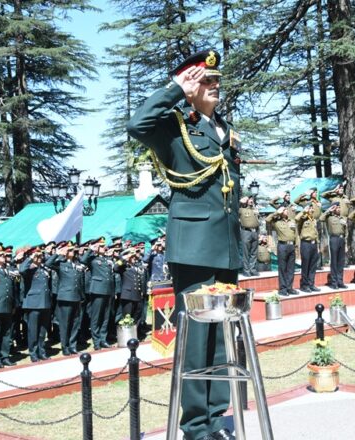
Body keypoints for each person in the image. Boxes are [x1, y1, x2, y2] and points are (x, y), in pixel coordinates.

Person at [127, 49, 241, 440]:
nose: (214, 86)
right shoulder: (174, 127)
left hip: (225, 247)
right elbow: (137, 123)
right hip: (192, 247)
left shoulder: (222, 128)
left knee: (223, 338)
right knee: (196, 341)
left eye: (216, 81)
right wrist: (175, 89)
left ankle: (215, 417)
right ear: (190, 86)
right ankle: (195, 428)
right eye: (205, 81)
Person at [45, 242, 87, 356]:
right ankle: (65, 346)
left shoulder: (76, 264)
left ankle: (72, 345)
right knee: (65, 324)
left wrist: (82, 296)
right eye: (70, 250)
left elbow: (79, 281)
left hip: (77, 297)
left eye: (73, 250)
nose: (73, 252)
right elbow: (48, 263)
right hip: (65, 297)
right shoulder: (61, 263)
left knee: (75, 323)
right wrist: (57, 254)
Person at [80, 237, 117, 351]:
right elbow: (83, 260)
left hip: (108, 290)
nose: (103, 248)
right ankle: (96, 341)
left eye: (103, 246)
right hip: (97, 290)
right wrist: (91, 249)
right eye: (100, 246)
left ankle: (103, 339)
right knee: (97, 317)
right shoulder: (92, 258)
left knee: (106, 317)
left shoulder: (107, 259)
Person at [18, 247, 53, 362]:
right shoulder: (29, 269)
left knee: (42, 331)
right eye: (37, 256)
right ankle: (33, 352)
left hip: (45, 303)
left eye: (40, 255)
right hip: (33, 304)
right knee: (33, 330)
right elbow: (22, 270)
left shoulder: (43, 268)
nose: (39, 258)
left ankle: (41, 351)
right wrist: (31, 258)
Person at [266, 207, 298, 296]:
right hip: (282, 246)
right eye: (284, 210)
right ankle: (283, 289)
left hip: (291, 246)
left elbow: (296, 233)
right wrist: (277, 212)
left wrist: (296, 245)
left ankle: (289, 287)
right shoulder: (277, 222)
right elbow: (267, 219)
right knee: (283, 268)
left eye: (287, 210)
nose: (287, 211)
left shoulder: (291, 221)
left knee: (291, 269)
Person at [320, 202, 348, 289]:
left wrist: (346, 242)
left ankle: (340, 281)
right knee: (334, 262)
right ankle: (334, 282)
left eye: (340, 207)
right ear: (334, 208)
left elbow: (346, 231)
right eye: (337, 207)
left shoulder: (343, 218)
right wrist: (329, 210)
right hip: (334, 239)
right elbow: (321, 218)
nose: (339, 209)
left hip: (342, 239)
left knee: (341, 262)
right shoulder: (329, 217)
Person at [296, 204, 320, 293]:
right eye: (309, 208)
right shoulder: (303, 218)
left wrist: (317, 245)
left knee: (313, 266)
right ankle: (304, 285)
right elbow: (296, 219)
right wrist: (304, 211)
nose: (311, 209)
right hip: (305, 243)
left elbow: (316, 233)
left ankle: (311, 284)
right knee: (305, 265)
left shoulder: (313, 220)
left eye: (311, 208)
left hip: (313, 244)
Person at [239, 196, 260, 277]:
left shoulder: (255, 210)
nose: (251, 201)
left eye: (252, 199)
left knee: (254, 253)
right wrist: (240, 202)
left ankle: (252, 269)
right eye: (249, 199)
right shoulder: (241, 210)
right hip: (246, 232)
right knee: (246, 252)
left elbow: (258, 221)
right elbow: (233, 209)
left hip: (255, 232)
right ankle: (246, 270)